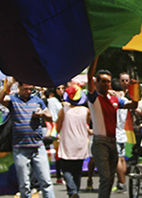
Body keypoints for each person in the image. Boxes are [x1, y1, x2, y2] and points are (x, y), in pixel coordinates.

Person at [0, 76, 55, 198]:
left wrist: (42, 113)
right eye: (25, 89)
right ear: (19, 87)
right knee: (24, 184)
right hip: (20, 147)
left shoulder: (37, 99)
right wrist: (6, 86)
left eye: (30, 89)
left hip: (38, 146)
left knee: (46, 181)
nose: (28, 92)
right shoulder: (13, 100)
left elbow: (50, 117)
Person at [86, 59, 136, 198]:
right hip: (100, 142)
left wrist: (135, 91)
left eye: (108, 81)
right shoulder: (94, 97)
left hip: (112, 141)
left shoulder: (115, 99)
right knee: (106, 177)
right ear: (97, 83)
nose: (106, 84)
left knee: (110, 178)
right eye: (103, 81)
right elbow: (89, 77)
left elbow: (133, 106)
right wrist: (95, 57)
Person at [57, 85, 90, 198]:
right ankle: (75, 191)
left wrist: (58, 132)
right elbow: (87, 124)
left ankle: (72, 191)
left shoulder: (64, 110)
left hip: (67, 143)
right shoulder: (86, 111)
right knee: (77, 170)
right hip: (81, 142)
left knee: (65, 169)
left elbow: (58, 126)